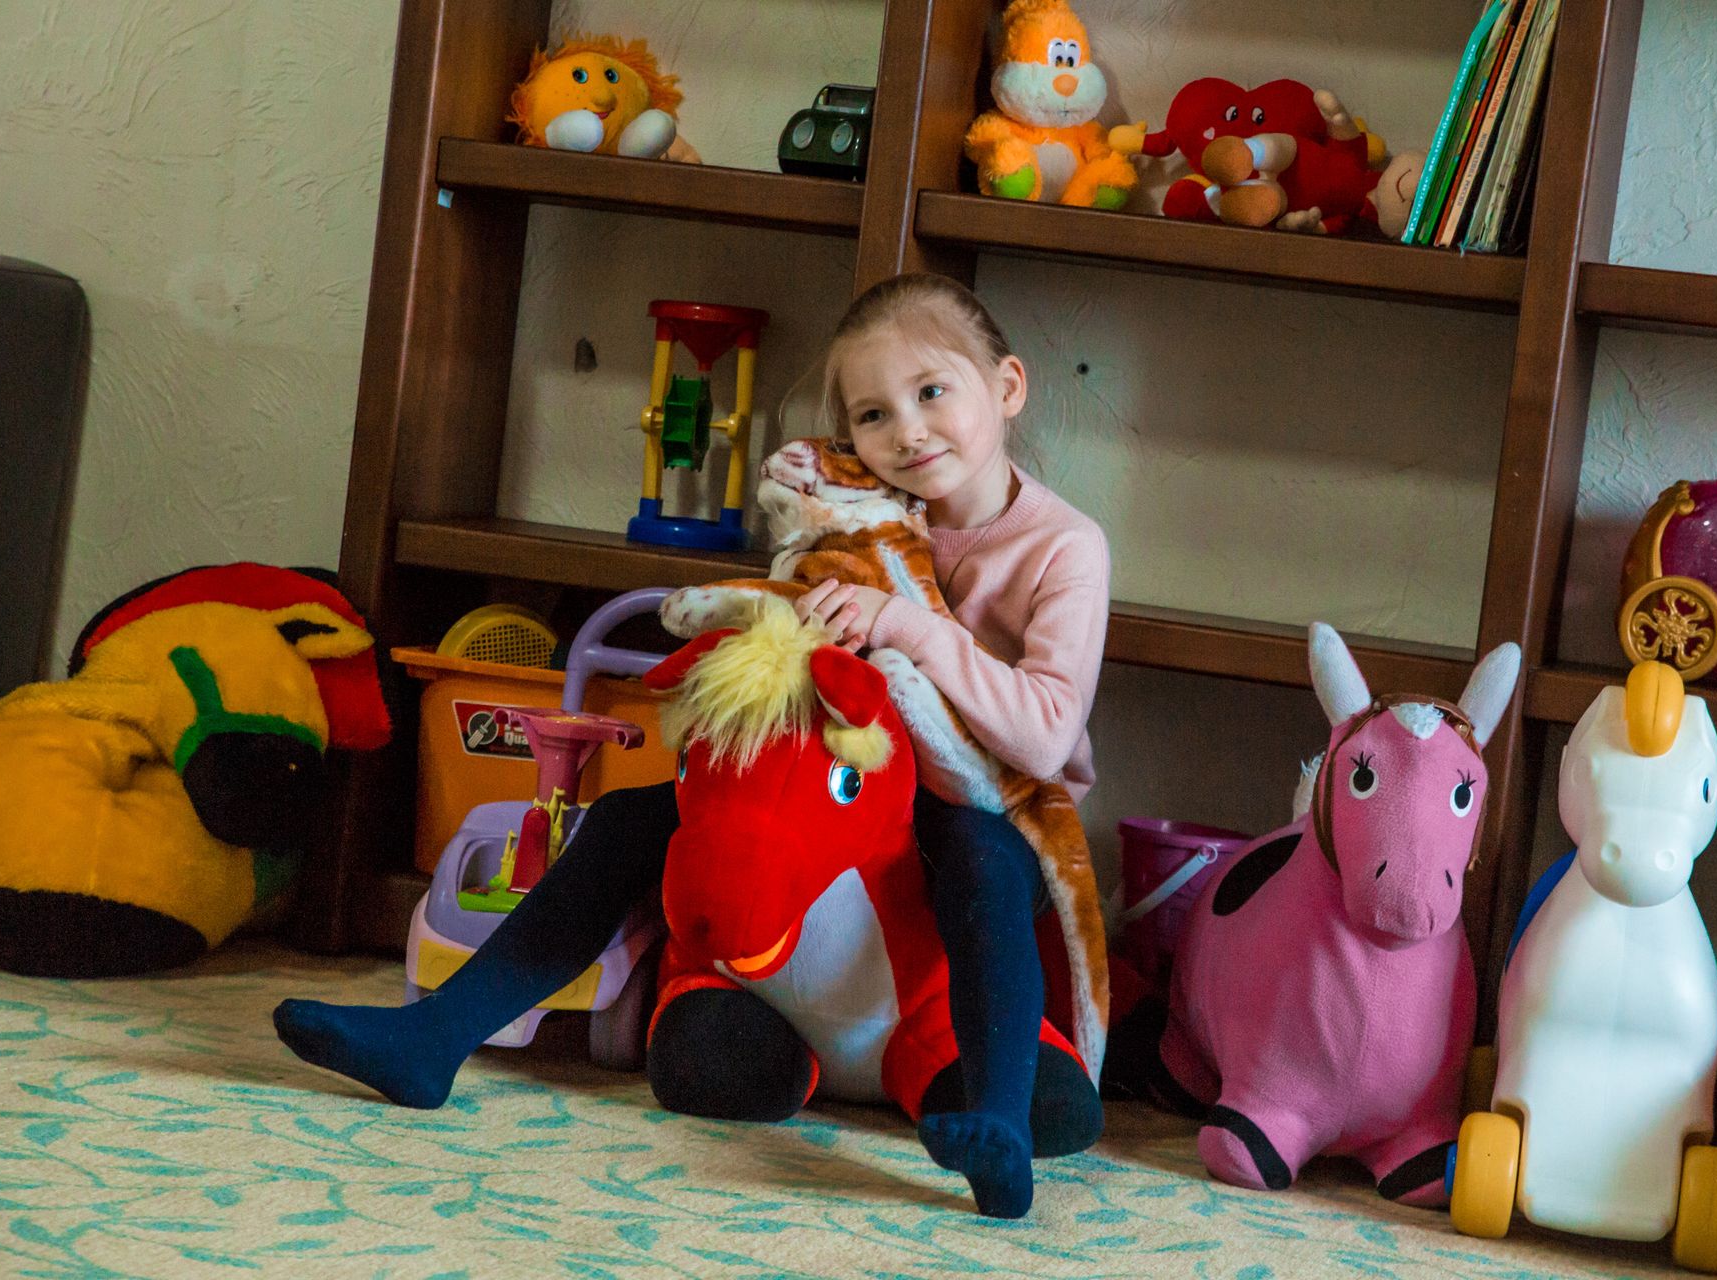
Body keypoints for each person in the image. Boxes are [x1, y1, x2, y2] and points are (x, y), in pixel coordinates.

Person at [273, 272, 1111, 1219]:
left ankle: (997, 1120)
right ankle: (436, 1036)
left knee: (982, 859)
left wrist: (908, 628)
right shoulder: (860, 508)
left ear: (1006, 386)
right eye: (873, 415)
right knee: (632, 817)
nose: (908, 433)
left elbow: (1046, 735)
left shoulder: (1062, 545)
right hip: (844, 778)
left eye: (931, 393)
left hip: (988, 807)